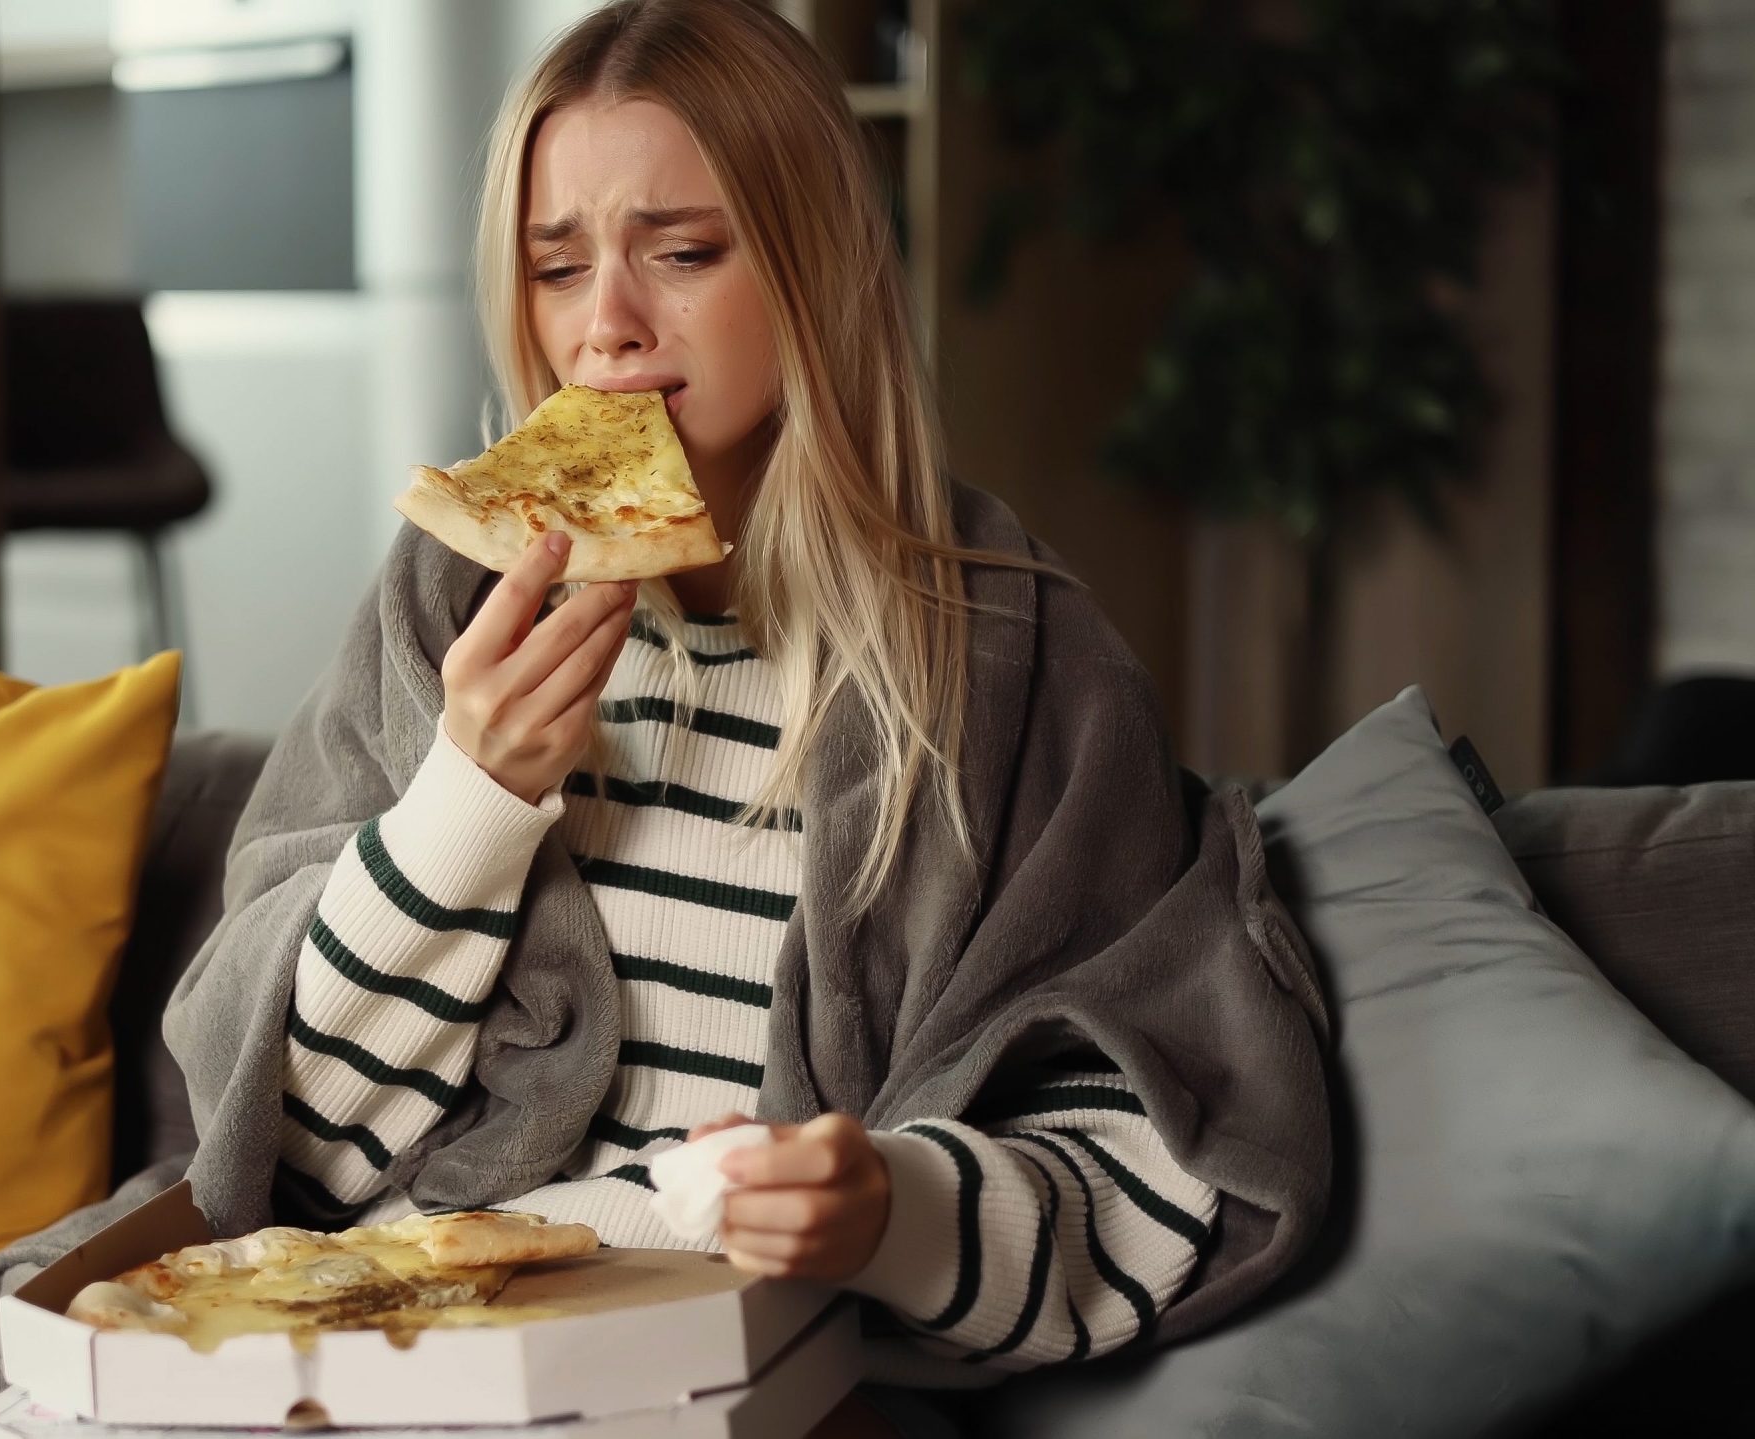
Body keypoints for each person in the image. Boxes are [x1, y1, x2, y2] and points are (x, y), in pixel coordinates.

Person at [163, 0, 1331, 1396]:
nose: (605, 328)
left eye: (683, 253)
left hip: (743, 1380)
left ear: (819, 270)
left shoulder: (1015, 657)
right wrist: (462, 808)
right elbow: (293, 1158)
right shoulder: (448, 600)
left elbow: (1147, 1165)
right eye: (554, 268)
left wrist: (888, 1212)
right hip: (383, 1357)